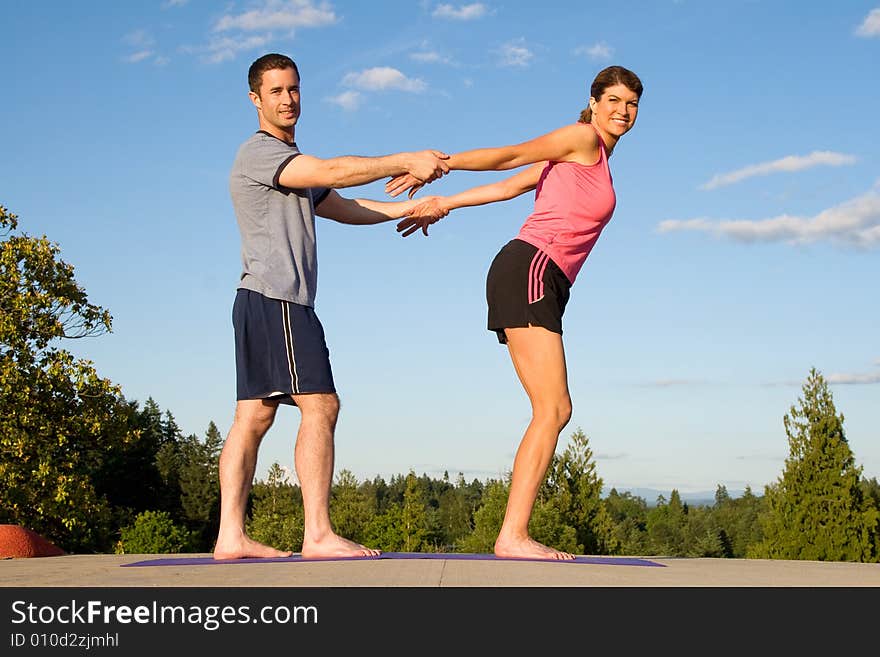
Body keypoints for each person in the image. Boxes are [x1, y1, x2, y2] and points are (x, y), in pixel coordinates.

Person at [391, 65, 643, 560]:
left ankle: (513, 533)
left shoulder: (585, 159)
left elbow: (510, 186)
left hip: (540, 276)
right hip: (532, 267)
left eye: (632, 104)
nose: (622, 111)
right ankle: (513, 536)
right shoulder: (580, 139)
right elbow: (513, 155)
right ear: (593, 103)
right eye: (613, 100)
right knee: (554, 409)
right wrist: (443, 164)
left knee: (553, 410)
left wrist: (445, 204)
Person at [213, 53, 449, 560]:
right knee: (321, 404)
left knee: (252, 418)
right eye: (275, 91)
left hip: (260, 300)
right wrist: (404, 159)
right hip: (278, 299)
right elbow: (335, 170)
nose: (288, 99)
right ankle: (317, 533)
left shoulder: (296, 166)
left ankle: (230, 536)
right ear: (255, 99)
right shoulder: (260, 153)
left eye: (293, 89)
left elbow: (343, 205)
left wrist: (410, 207)